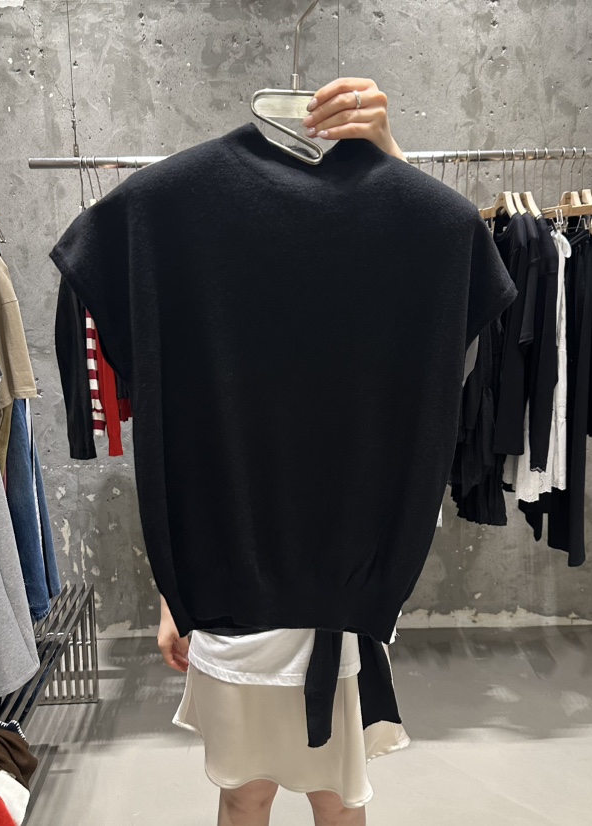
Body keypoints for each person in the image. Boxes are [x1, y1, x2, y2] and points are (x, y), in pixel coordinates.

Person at [158, 78, 410, 826]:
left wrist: (389, 158)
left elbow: (438, 268)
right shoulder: (195, 236)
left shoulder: (373, 243)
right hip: (229, 582)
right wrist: (173, 592)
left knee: (337, 792)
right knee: (244, 790)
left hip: (337, 586)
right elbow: (178, 441)